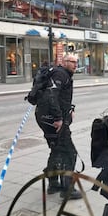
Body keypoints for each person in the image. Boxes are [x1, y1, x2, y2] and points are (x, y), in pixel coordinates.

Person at [35, 55, 82, 199]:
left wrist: (69, 109)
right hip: (52, 121)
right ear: (64, 62)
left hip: (45, 118)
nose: (75, 65)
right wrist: (59, 118)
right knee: (69, 152)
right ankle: (67, 189)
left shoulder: (61, 74)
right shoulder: (61, 74)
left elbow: (60, 97)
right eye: (72, 62)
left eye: (76, 62)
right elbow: (51, 95)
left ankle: (53, 183)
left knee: (56, 150)